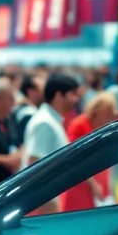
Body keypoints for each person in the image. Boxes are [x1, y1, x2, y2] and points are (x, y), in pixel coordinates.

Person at [21, 73, 80, 214]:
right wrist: (49, 207)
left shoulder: (51, 120)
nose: (77, 99)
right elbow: (35, 165)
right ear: (59, 95)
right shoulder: (45, 122)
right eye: (73, 94)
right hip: (44, 205)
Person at [61, 92, 118, 213]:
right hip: (80, 184)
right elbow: (75, 158)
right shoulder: (79, 125)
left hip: (98, 183)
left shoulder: (104, 128)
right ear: (97, 112)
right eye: (108, 114)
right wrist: (94, 184)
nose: (110, 118)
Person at [10, 75, 44, 146]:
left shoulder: (24, 109)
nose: (44, 92)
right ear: (30, 91)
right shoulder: (28, 113)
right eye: (41, 89)